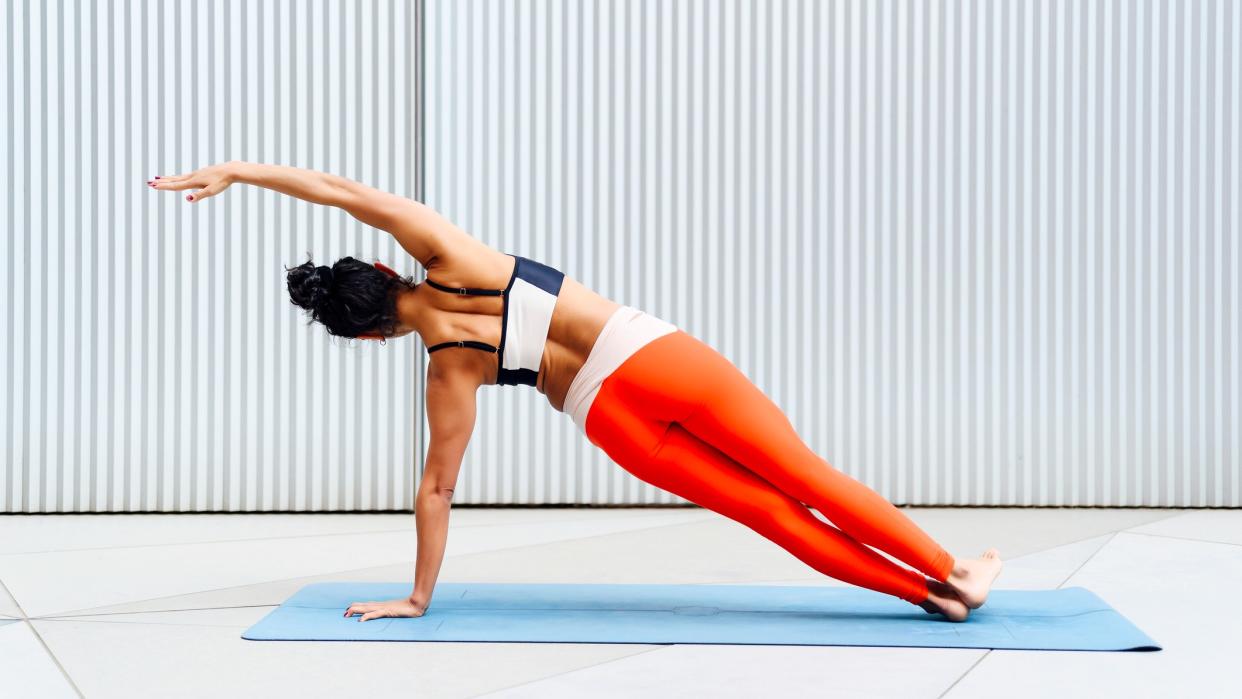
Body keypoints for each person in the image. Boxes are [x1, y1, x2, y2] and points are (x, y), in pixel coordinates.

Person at [147, 161, 1003, 623]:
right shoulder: (454, 255)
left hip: (609, 419)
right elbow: (345, 192)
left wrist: (417, 598)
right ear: (378, 266)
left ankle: (928, 596)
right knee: (804, 476)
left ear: (372, 335)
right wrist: (238, 171)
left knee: (765, 511)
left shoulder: (448, 370)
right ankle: (953, 569)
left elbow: (436, 490)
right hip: (661, 363)